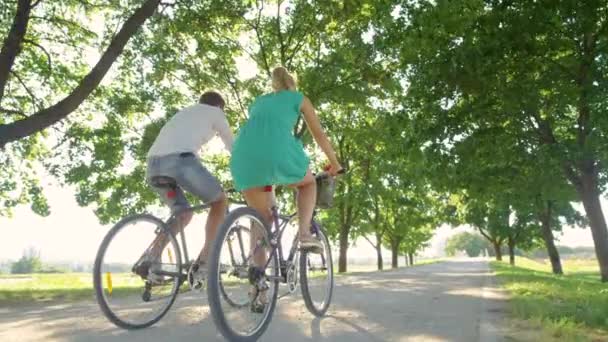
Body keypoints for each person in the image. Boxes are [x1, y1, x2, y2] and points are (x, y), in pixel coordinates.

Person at [230, 67, 342, 311]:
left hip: (243, 156)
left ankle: (258, 288)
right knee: (308, 182)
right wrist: (334, 163)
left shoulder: (258, 102)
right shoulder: (299, 98)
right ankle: (304, 234)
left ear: (274, 85)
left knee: (261, 223)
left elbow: (260, 130)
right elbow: (319, 134)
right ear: (292, 83)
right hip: (278, 152)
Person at [134, 91, 233, 290]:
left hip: (153, 166)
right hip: (180, 162)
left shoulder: (184, 113)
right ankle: (204, 262)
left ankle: (151, 258)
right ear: (220, 106)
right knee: (220, 201)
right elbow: (234, 148)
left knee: (184, 214)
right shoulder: (216, 113)